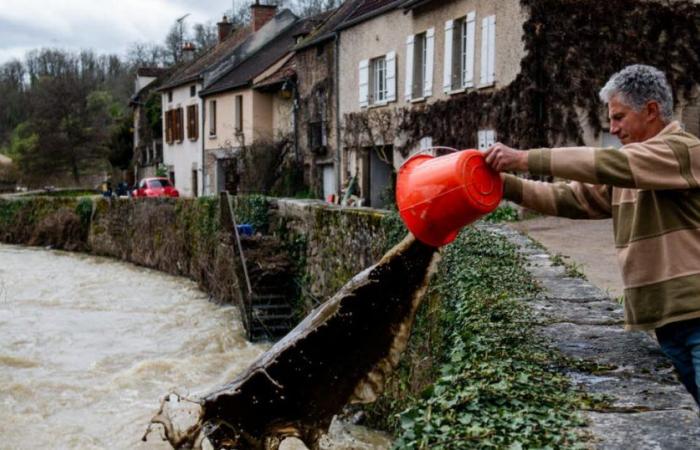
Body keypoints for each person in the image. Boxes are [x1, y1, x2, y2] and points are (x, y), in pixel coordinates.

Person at [484, 64, 700, 404]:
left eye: (619, 117)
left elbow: (606, 163)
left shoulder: (684, 151)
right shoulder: (631, 169)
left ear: (652, 111)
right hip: (668, 322)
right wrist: (502, 186)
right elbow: (570, 198)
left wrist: (524, 159)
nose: (612, 129)